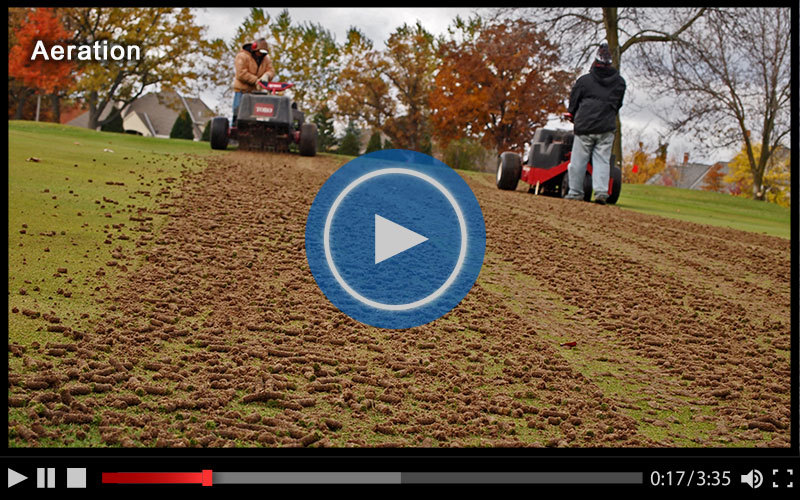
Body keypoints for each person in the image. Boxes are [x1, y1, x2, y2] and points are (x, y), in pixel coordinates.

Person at [565, 43, 626, 204]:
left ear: (595, 60)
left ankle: (575, 192)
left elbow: (573, 103)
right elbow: (618, 105)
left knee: (578, 161)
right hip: (606, 126)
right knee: (602, 161)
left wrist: (572, 113)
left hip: (585, 125)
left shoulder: (584, 81)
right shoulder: (620, 83)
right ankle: (601, 192)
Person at [232, 38, 275, 126]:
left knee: (254, 117)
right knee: (238, 114)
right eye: (260, 52)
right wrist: (256, 80)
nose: (261, 55)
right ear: (254, 48)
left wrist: (267, 76)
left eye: (264, 53)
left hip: (255, 93)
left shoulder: (265, 59)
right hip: (242, 91)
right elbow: (241, 73)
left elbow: (271, 70)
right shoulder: (242, 56)